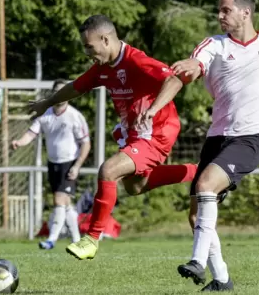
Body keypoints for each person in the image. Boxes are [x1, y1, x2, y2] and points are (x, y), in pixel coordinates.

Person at [137, 0, 259, 292]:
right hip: (217, 137)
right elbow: (190, 69)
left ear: (245, 12)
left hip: (251, 138)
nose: (219, 15)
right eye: (219, 10)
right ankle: (222, 279)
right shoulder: (215, 45)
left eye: (226, 10)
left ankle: (197, 261)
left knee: (207, 185)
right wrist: (156, 106)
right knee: (196, 213)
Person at [27, 14, 198, 260]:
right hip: (135, 133)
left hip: (157, 131)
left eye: (89, 46)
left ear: (105, 40)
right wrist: (47, 102)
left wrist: (152, 110)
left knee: (108, 170)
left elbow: (173, 80)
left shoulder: (136, 60)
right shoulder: (103, 69)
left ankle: (91, 239)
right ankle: (195, 171)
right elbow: (76, 86)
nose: (87, 52)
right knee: (135, 186)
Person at [12, 79, 91, 250]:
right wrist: (19, 142)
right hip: (53, 163)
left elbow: (86, 143)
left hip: (69, 163)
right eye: (57, 91)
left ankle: (51, 240)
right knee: (66, 203)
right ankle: (77, 240)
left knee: (59, 200)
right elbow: (31, 133)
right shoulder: (45, 115)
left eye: (64, 91)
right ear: (53, 94)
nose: (61, 94)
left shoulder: (75, 116)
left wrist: (77, 166)